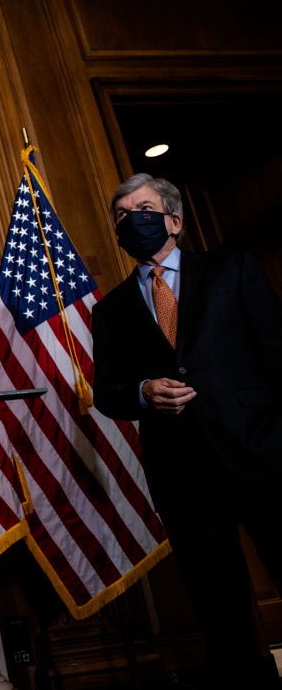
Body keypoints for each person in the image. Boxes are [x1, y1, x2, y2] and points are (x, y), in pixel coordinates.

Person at [92, 173, 282, 689]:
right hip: (181, 471)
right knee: (218, 601)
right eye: (124, 215)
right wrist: (141, 391)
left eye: (146, 209)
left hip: (261, 452)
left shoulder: (230, 268)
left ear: (174, 220)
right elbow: (105, 392)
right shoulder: (109, 310)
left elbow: (275, 353)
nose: (135, 220)